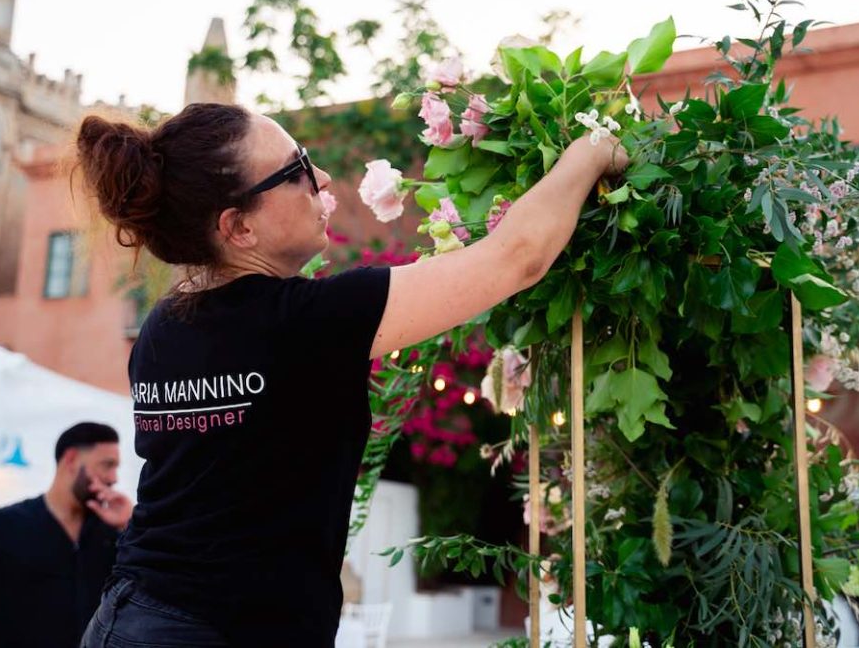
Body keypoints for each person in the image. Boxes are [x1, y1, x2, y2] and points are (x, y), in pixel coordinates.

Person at [74, 102, 627, 648]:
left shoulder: (163, 327)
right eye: (297, 172)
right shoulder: (305, 321)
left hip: (137, 617)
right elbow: (518, 258)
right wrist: (595, 146)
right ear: (238, 227)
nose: (323, 178)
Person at [0, 422, 133, 648]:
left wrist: (130, 527)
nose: (113, 478)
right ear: (71, 459)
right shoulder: (0, 526)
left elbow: (151, 595)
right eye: (107, 465)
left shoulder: (112, 532)